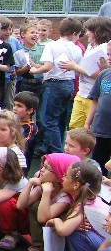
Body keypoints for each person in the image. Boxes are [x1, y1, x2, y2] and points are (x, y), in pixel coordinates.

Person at [30, 17, 84, 155]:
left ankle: (57, 151)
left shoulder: (52, 45)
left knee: (48, 119)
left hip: (54, 84)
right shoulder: (76, 48)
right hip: (68, 84)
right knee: (60, 118)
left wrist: (35, 70)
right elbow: (78, 69)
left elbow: (48, 66)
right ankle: (53, 146)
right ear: (74, 33)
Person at [46, 161, 108, 251]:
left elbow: (63, 230)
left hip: (106, 250)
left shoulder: (84, 205)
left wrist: (56, 220)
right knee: (74, 228)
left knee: (76, 233)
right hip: (103, 244)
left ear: (76, 185)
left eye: (66, 176)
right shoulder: (91, 199)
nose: (62, 178)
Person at [86, 47, 111, 174]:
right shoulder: (104, 74)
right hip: (101, 127)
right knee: (98, 164)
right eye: (108, 54)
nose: (109, 58)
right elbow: (95, 100)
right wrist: (87, 123)